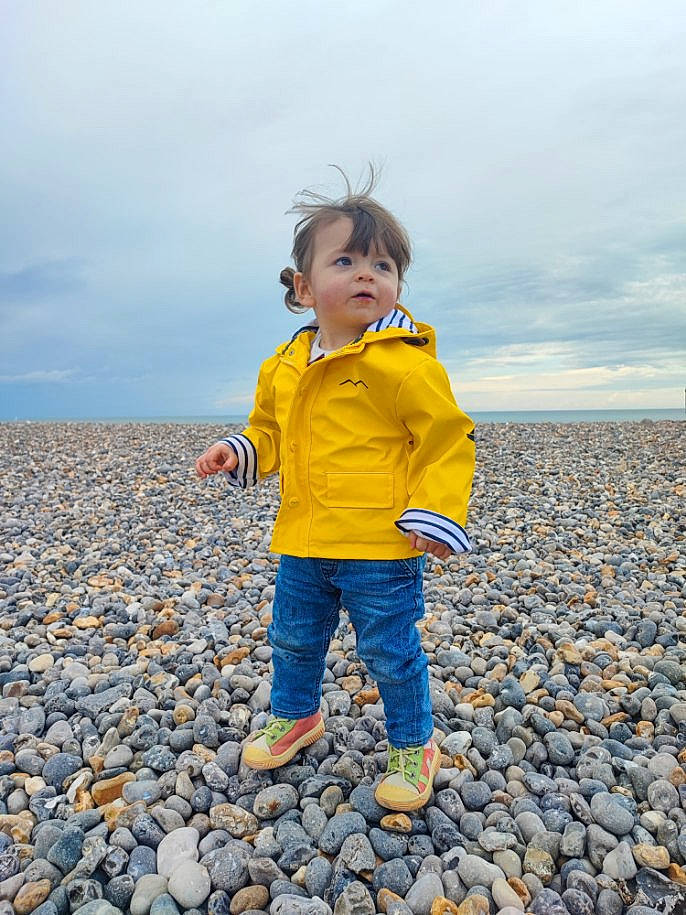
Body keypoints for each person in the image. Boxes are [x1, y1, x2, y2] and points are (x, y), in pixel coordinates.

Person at [195, 166, 475, 811]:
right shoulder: (285, 366)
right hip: (303, 537)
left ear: (398, 283)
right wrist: (238, 449)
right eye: (345, 260)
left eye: (381, 264)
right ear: (302, 287)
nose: (366, 274)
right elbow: (271, 432)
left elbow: (447, 440)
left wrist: (434, 513)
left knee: (390, 648)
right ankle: (296, 714)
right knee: (292, 635)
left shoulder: (403, 365)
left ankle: (413, 743)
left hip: (380, 542)